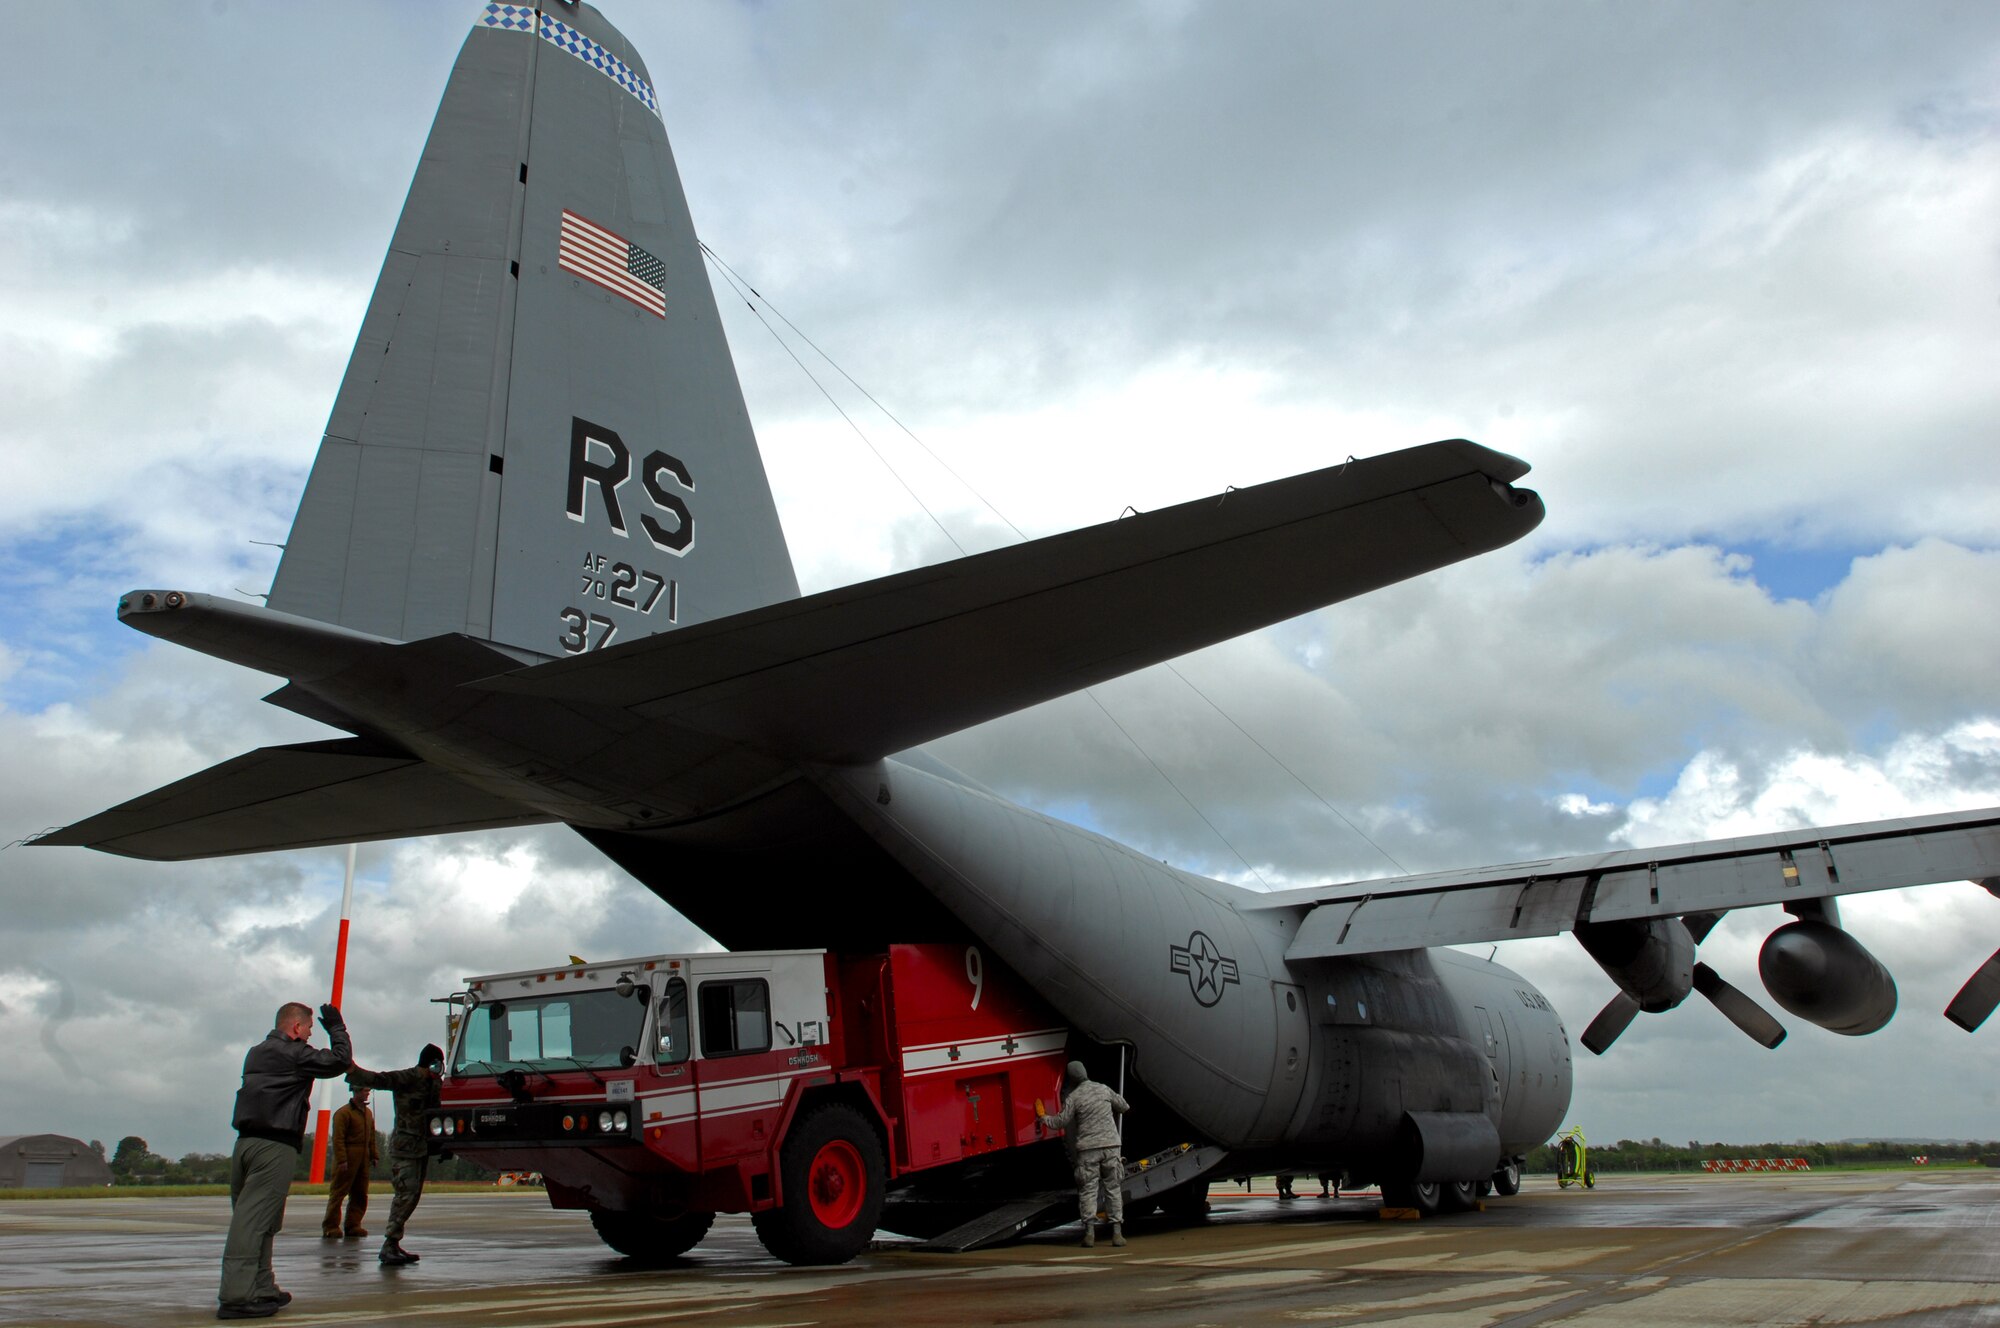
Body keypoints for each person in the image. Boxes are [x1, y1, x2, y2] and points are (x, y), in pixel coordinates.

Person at [218, 1001, 352, 1321]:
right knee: (252, 1224)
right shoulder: (293, 1053)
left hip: (246, 1144)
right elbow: (339, 1061)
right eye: (307, 1029)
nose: (308, 1035)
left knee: (262, 1221)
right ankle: (237, 1296)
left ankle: (261, 1286)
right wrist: (337, 1029)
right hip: (273, 1146)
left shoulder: (256, 1052)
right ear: (296, 1028)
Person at [347, 1043, 444, 1266]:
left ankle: (393, 1243)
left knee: (412, 1197)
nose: (439, 1068)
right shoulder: (408, 1078)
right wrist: (353, 1071)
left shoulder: (435, 1084)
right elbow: (379, 1079)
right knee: (404, 1196)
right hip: (405, 1148)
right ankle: (389, 1244)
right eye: (437, 1064)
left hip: (422, 1148)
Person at [1036, 1060, 1129, 1248]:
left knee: (1088, 1191)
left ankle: (1089, 1234)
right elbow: (1124, 1106)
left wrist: (1043, 1117)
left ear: (1071, 1077)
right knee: (1113, 1189)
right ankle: (1117, 1234)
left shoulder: (1073, 1097)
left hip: (1088, 1150)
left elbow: (1059, 1122)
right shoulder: (1104, 1089)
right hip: (1111, 1146)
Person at [320, 1086, 379, 1239]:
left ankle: (353, 1225)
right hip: (348, 1156)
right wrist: (342, 1159)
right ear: (356, 1091)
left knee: (360, 1193)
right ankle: (331, 1226)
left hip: (363, 1158)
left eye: (368, 1091)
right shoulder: (343, 1113)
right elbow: (338, 1139)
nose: (367, 1093)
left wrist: (374, 1155)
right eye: (365, 1091)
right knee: (338, 1193)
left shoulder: (368, 1113)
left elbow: (371, 1137)